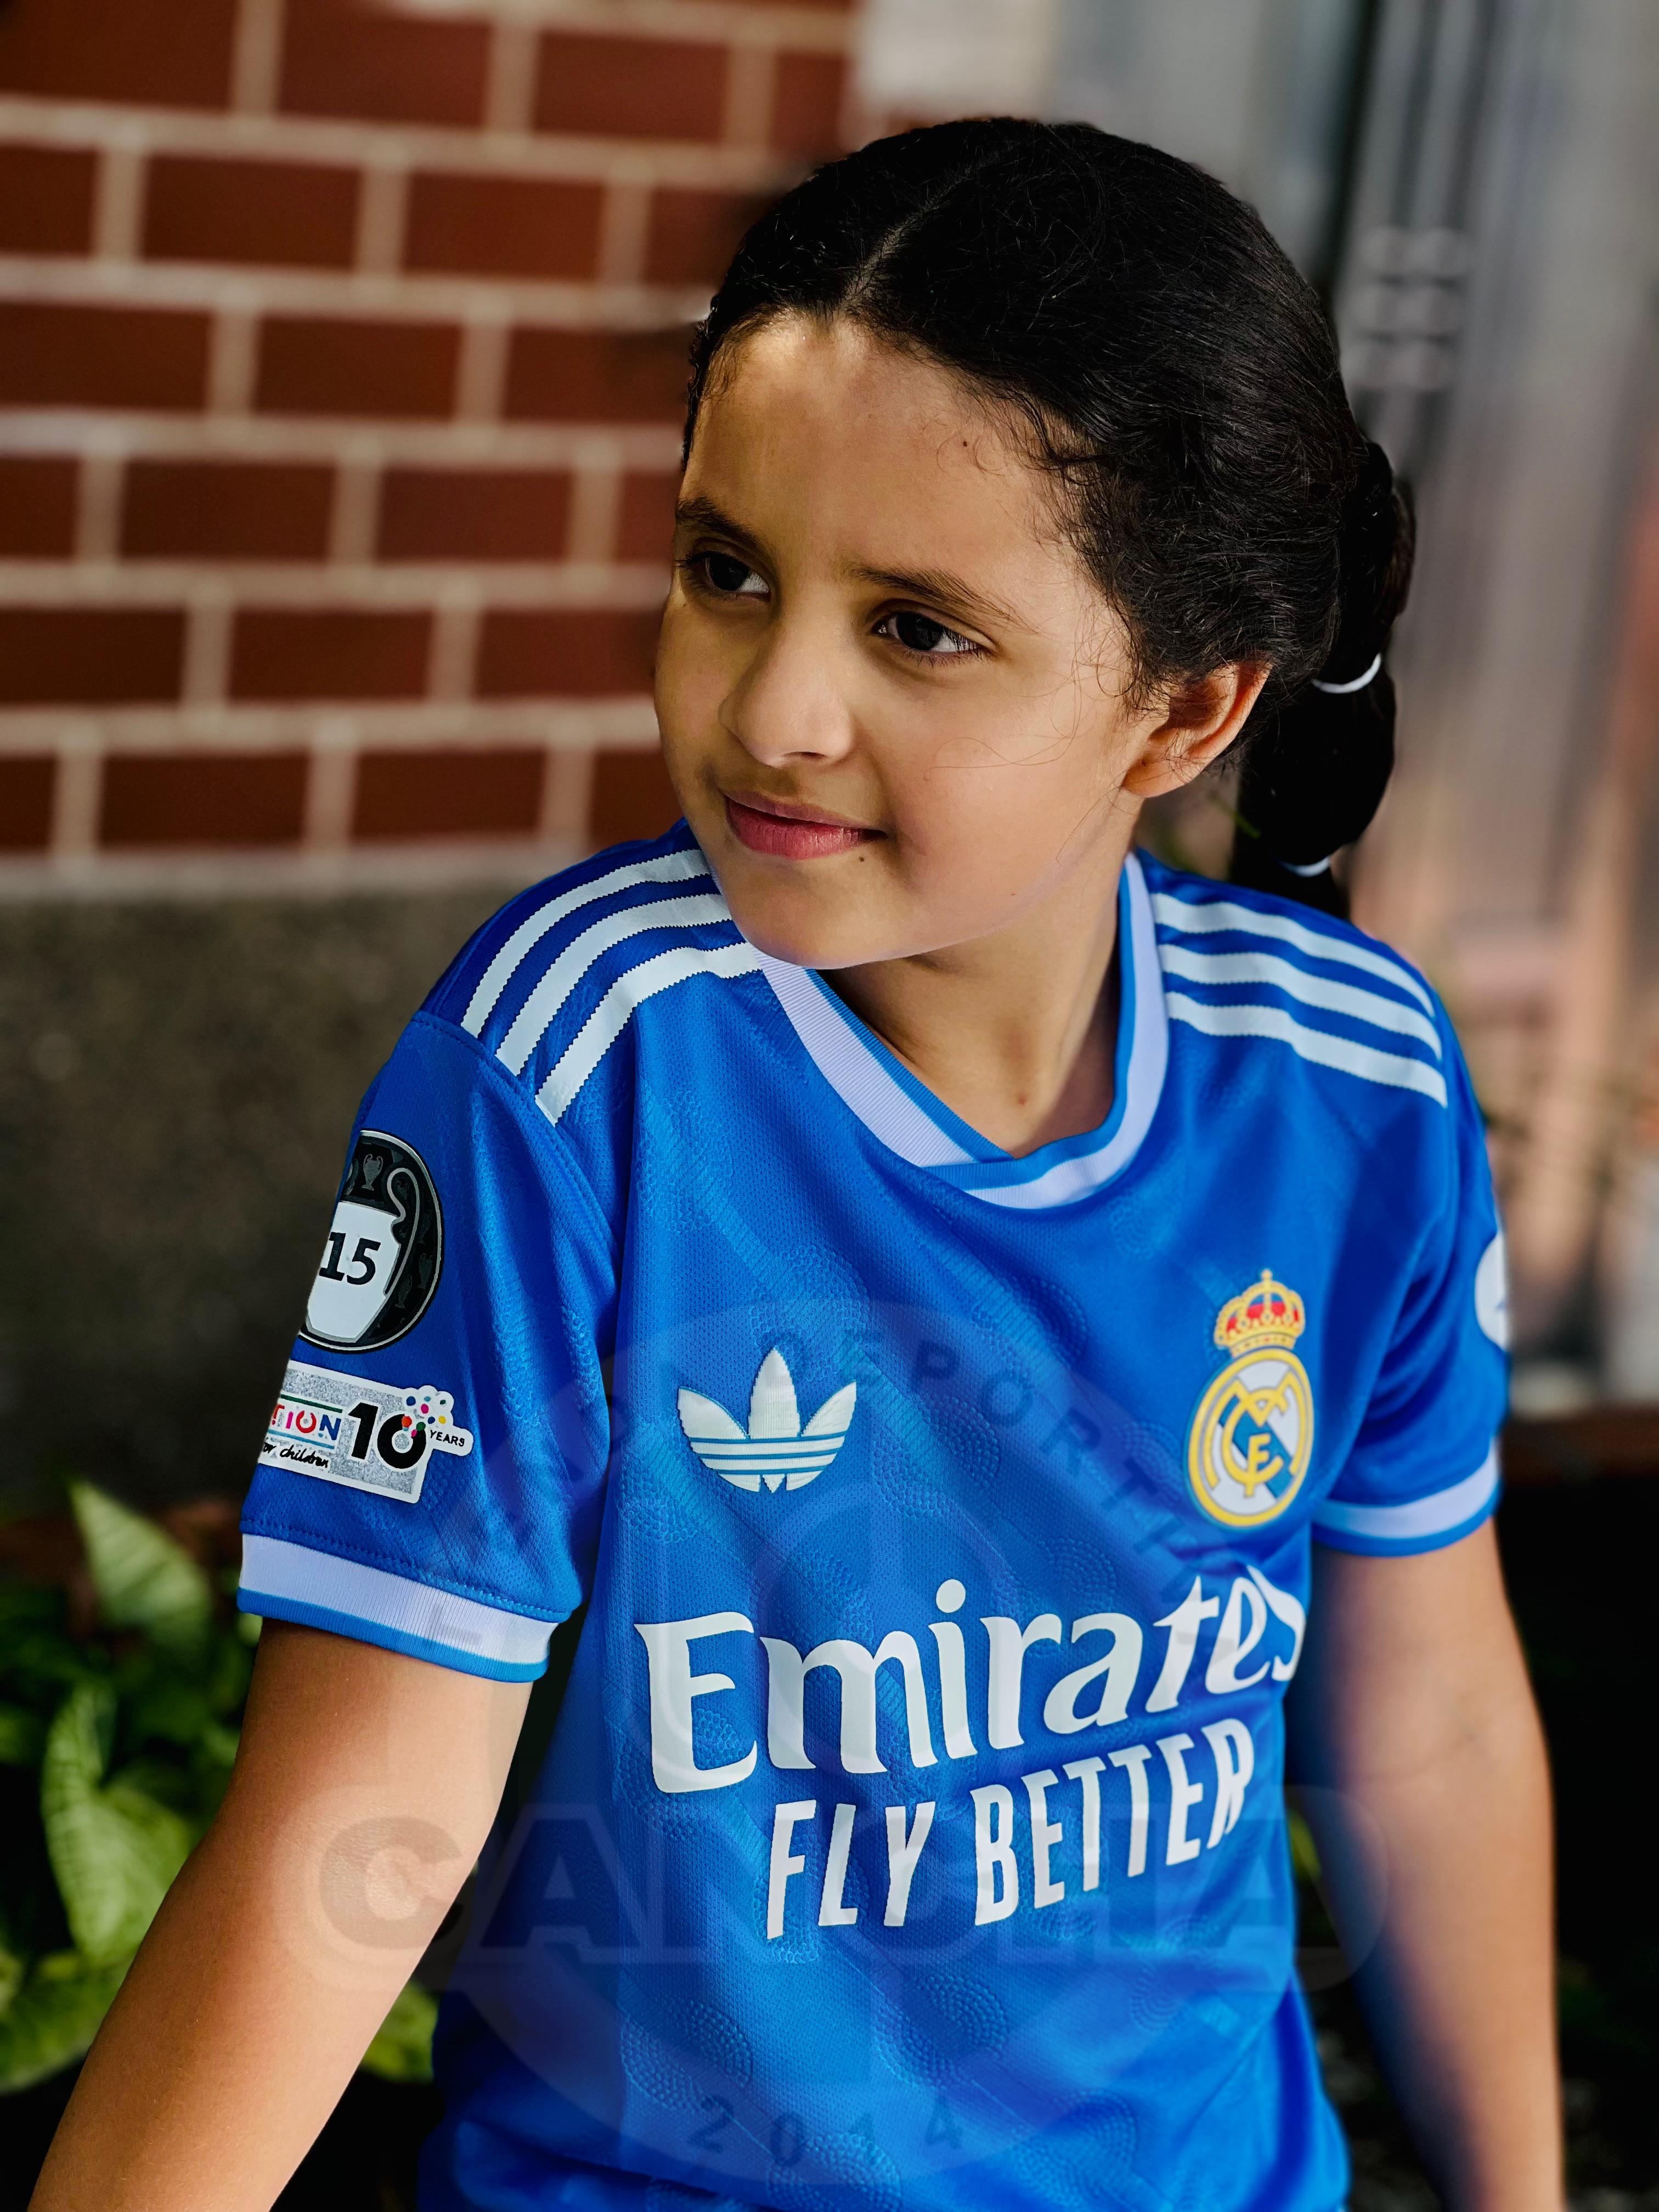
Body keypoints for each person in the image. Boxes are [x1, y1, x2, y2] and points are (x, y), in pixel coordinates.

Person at [32, 121, 1559, 2212]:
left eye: (918, 628)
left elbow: (1432, 1721)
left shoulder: (1357, 1081)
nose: (774, 709)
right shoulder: (581, 1062)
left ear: (1185, 712)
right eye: (726, 568)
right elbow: (353, 1819)